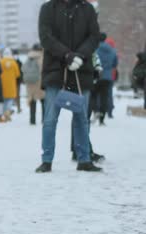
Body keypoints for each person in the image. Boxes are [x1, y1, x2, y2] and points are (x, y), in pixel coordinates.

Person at [35, 0, 102, 173]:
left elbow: (94, 36)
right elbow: (45, 37)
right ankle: (46, 160)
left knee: (81, 118)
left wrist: (80, 55)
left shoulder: (87, 8)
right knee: (50, 119)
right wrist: (66, 55)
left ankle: (84, 159)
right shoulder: (48, 8)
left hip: (81, 71)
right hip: (55, 71)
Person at [93, 33, 118, 125]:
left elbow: (92, 61)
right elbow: (115, 63)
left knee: (93, 95)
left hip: (96, 75)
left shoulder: (94, 48)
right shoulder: (112, 50)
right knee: (104, 97)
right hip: (107, 77)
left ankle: (95, 111)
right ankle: (102, 118)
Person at [22, 44, 46, 125]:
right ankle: (44, 119)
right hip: (40, 82)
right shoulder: (41, 57)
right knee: (43, 100)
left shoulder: (29, 57)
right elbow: (43, 69)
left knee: (32, 101)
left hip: (30, 83)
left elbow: (23, 68)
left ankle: (32, 120)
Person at [0, 48, 21, 122]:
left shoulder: (1, 61)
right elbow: (17, 74)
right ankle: (8, 112)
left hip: (2, 83)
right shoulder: (13, 62)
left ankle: (4, 113)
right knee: (10, 99)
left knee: (4, 99)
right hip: (11, 83)